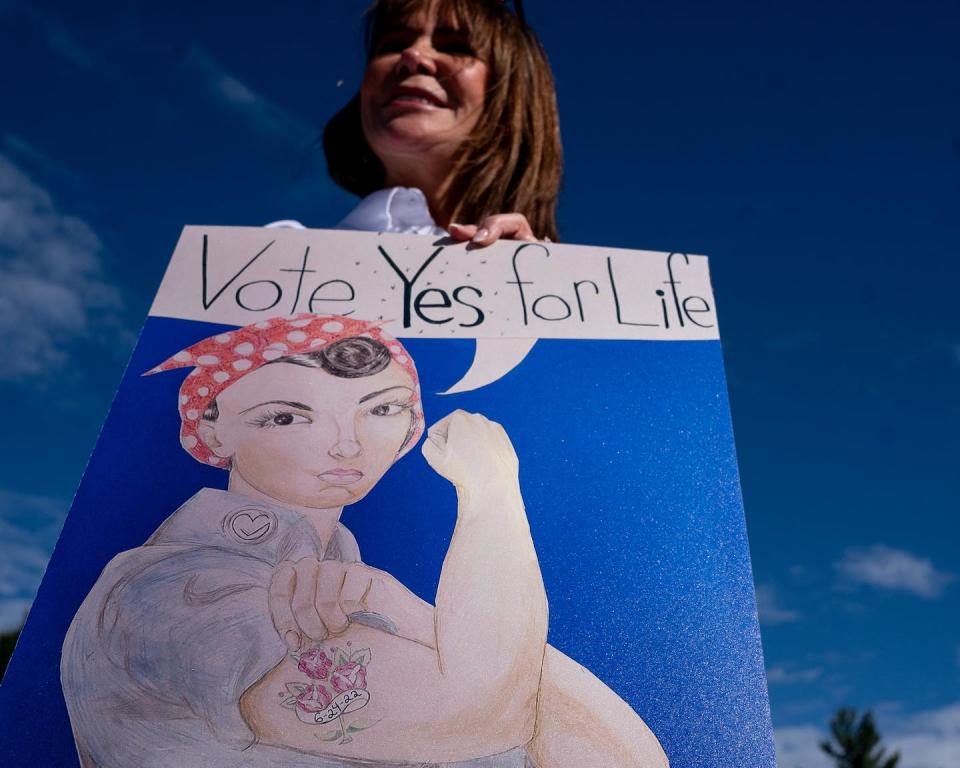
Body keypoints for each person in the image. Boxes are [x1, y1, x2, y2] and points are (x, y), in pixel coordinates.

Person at [61, 313, 667, 767]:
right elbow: (483, 714)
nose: (345, 445)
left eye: (379, 410)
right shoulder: (179, 593)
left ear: (410, 427)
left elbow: (625, 757)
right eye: (287, 416)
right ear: (211, 431)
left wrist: (402, 607)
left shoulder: (350, 592)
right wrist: (490, 495)